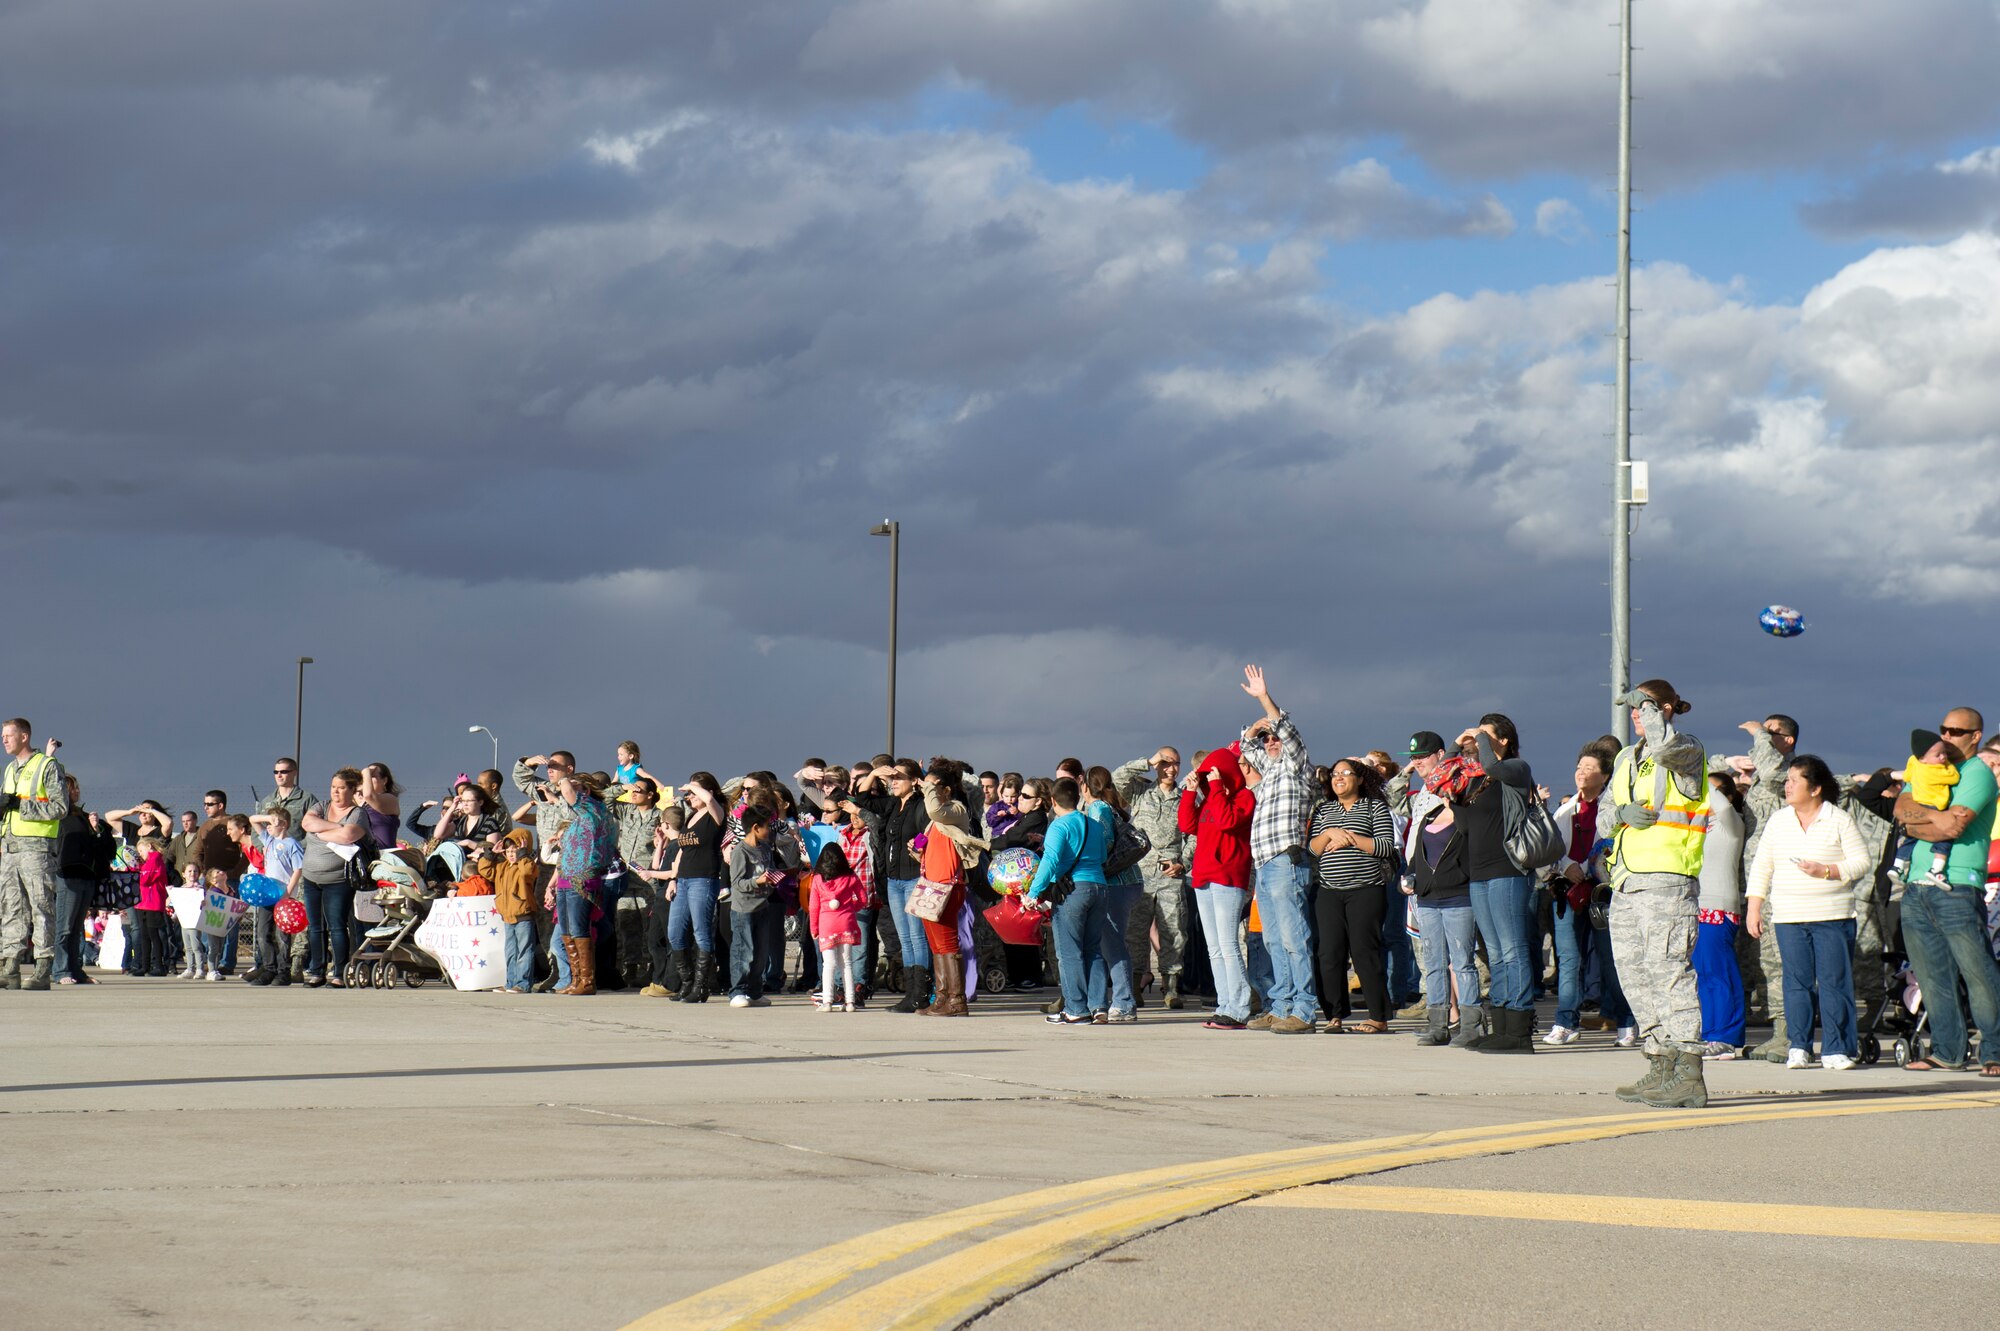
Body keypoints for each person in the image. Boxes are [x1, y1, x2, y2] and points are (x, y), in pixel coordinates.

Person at [1599, 681, 1710, 1107]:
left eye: (1643, 705)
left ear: (1663, 708)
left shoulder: (1686, 749)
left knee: (1668, 972)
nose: (1634, 712)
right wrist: (1620, 815)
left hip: (1667, 878)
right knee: (1635, 975)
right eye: (1633, 706)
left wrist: (1650, 710)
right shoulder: (1627, 757)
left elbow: (1666, 748)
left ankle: (1688, 1071)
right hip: (1627, 880)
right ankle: (1660, 1062)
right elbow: (1606, 813)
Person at [1891, 706, 2000, 1076]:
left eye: (1956, 731)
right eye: (1944, 729)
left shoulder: (1978, 774)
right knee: (1931, 975)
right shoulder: (1927, 766)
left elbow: (1953, 829)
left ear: (1975, 736)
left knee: (1978, 972)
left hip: (1957, 884)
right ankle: (1949, 1051)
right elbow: (1900, 808)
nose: (1947, 736)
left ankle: (1995, 1051)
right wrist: (1935, 818)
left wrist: (1919, 822)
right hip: (1917, 885)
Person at [1746, 754, 1872, 1069]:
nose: (1787, 786)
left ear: (1815, 788)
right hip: (1789, 916)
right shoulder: (1778, 820)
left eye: (1794, 780)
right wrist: (1754, 907)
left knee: (1834, 982)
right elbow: (1762, 865)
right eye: (1787, 780)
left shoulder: (1838, 818)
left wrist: (1827, 871)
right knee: (1796, 982)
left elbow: (1862, 862)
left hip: (1832, 915)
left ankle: (1836, 1048)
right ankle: (1798, 1046)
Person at [1235, 666, 1317, 1036]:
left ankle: (1305, 1008)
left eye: (1274, 739)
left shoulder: (1297, 766)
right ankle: (1281, 1005)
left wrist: (1264, 700)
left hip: (1286, 859)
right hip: (1265, 864)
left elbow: (1287, 730)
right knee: (1271, 939)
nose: (1271, 743)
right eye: (1267, 741)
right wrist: (1254, 731)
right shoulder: (1267, 774)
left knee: (1293, 937)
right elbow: (1244, 747)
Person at [1451, 715, 1538, 1051]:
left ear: (1503, 739)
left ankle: (1518, 1032)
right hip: (1481, 873)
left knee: (1513, 950)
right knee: (1496, 954)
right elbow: (1438, 782)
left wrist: (1482, 742)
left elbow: (1493, 765)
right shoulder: (1478, 782)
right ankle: (1501, 1026)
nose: (1477, 739)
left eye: (1486, 734)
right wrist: (1456, 746)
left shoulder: (1516, 768)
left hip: (1508, 869)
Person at [1545, 740, 1636, 1046]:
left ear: (1605, 776)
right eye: (1579, 767)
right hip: (1567, 894)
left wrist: (1584, 866)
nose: (1582, 773)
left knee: (1610, 960)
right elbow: (1552, 848)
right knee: (1569, 959)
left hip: (1601, 893)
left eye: (1590, 768)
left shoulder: (1610, 811)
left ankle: (1626, 1021)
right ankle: (1565, 1022)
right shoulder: (1565, 810)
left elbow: (1613, 847)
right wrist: (1568, 865)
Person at [1308, 759, 1398, 1033]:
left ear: (1359, 779)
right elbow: (1313, 849)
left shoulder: (1375, 807)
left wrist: (1350, 838)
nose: (1339, 778)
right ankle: (1334, 1014)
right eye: (1335, 774)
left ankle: (1378, 1016)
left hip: (1366, 890)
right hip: (1329, 891)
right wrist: (1329, 833)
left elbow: (1384, 846)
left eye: (1346, 774)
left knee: (1364, 952)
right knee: (1328, 953)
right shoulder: (1324, 809)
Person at [1403, 747, 1478, 1047]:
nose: (1438, 787)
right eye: (1436, 784)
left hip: (1459, 897)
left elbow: (1472, 849)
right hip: (1428, 898)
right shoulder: (1427, 816)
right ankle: (1438, 1024)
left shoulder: (1466, 817)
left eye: (1445, 782)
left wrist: (1457, 805)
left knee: (1462, 961)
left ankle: (1472, 1026)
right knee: (1434, 962)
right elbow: (1417, 856)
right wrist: (1408, 877)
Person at [1179, 748, 1255, 1030]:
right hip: (1203, 877)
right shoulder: (1211, 798)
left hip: (1228, 878)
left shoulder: (1244, 797)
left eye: (1212, 773)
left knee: (1228, 944)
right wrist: (1190, 792)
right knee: (1214, 948)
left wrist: (1217, 789)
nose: (1208, 779)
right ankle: (1225, 1005)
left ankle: (1239, 1007)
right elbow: (1187, 824)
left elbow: (1228, 821)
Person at [1023, 777, 1110, 1026]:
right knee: (1093, 950)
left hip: (1073, 891)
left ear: (1052, 801)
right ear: (1078, 797)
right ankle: (1099, 1007)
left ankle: (1075, 1009)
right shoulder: (1093, 824)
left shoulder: (1059, 826)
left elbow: (1049, 861)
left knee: (1069, 953)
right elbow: (1103, 855)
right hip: (1099, 887)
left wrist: (1033, 893)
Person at [1112, 748, 1193, 1009]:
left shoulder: (1186, 798)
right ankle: (1135, 985)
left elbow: (1194, 835)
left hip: (1171, 872)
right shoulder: (1141, 793)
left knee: (1174, 931)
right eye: (1165, 764)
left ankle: (1170, 987)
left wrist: (1184, 863)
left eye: (1175, 764)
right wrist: (1147, 761)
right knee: (1135, 931)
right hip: (1141, 872)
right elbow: (1118, 778)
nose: (1170, 769)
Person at [1738, 713, 1798, 1060]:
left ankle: (1788, 1034)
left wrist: (1759, 735)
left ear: (1787, 741)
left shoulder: (1788, 774)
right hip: (1756, 884)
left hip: (1778, 884)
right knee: (1760, 960)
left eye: (1773, 732)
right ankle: (1778, 1030)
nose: (1763, 736)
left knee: (1778, 961)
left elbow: (1775, 771)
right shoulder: (1763, 777)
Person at [0, 719, 71, 990]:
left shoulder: (46, 766)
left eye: (9, 735)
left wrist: (21, 805)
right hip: (10, 848)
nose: (5, 740)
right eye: (3, 735)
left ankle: (43, 968)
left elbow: (60, 807)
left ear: (25, 736)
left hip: (37, 848)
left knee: (41, 907)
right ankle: (11, 967)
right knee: (10, 908)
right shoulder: (10, 769)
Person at [858, 759, 933, 1013]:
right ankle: (910, 993)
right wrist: (874, 774)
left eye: (900, 777)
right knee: (905, 939)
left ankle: (920, 994)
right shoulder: (892, 804)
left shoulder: (920, 805)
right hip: (893, 879)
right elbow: (862, 800)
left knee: (917, 937)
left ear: (914, 781)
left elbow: (930, 829)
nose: (895, 782)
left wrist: (919, 847)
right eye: (893, 778)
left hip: (914, 877)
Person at [917, 762, 988, 1018]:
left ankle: (957, 999)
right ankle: (943, 997)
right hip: (931, 885)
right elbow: (927, 838)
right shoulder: (938, 816)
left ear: (947, 790)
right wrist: (916, 848)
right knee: (936, 944)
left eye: (934, 786)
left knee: (947, 942)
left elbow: (935, 811)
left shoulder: (956, 809)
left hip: (948, 885)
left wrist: (927, 787)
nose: (929, 791)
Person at [295, 767, 369, 987]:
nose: (335, 792)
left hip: (338, 880)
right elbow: (307, 824)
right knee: (315, 926)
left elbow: (348, 836)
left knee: (337, 925)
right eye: (333, 787)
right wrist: (336, 827)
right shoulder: (321, 806)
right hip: (310, 878)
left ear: (351, 790)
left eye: (341, 788)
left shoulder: (358, 813)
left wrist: (322, 831)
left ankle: (339, 972)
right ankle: (317, 970)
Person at [1694, 761, 1749, 1057]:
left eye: (1713, 791)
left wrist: (1697, 773)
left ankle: (1726, 1035)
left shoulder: (1732, 823)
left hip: (1719, 906)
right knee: (1702, 973)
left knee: (1719, 972)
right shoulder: (1699, 823)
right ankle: (1710, 1033)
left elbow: (1723, 809)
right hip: (1696, 905)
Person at [549, 769, 615, 997]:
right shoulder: (578, 818)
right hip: (567, 877)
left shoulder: (593, 808)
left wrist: (563, 776)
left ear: (585, 791)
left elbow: (566, 789)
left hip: (582, 877)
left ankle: (587, 981)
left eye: (576, 788)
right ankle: (576, 979)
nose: (567, 792)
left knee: (578, 928)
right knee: (567, 930)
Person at [725, 797, 791, 1007]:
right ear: (755, 827)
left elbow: (769, 871)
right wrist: (758, 881)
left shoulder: (765, 849)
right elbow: (738, 884)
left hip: (763, 906)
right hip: (743, 909)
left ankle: (755, 991)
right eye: (766, 826)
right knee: (743, 951)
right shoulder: (740, 851)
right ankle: (737, 991)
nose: (770, 830)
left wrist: (777, 878)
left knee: (761, 952)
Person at [54, 779, 112, 985]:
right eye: (73, 788)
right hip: (67, 875)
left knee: (77, 927)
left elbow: (104, 848)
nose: (77, 791)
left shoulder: (83, 817)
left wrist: (96, 829)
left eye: (78, 787)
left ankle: (76, 970)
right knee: (65, 927)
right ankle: (60, 970)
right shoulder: (57, 815)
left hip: (87, 876)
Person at [190, 789, 248, 977]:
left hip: (229, 880)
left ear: (220, 805)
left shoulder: (231, 823)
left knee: (229, 923)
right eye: (204, 804)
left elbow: (246, 851)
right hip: (209, 882)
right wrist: (201, 871)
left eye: (210, 804)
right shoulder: (205, 826)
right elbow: (197, 852)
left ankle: (227, 962)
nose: (205, 807)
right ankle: (210, 962)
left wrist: (234, 872)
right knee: (209, 922)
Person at [244, 807, 303, 986]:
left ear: (283, 824)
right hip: (268, 895)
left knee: (283, 936)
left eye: (273, 823)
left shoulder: (292, 844)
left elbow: (298, 869)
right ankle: (269, 968)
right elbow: (252, 819)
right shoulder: (268, 840)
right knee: (263, 933)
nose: (268, 826)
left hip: (284, 895)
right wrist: (269, 817)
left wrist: (288, 892)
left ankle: (283, 971)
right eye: (268, 823)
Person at [481, 829, 538, 994]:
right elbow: (486, 871)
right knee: (511, 951)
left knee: (525, 949)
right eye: (509, 851)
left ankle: (523, 983)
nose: (511, 854)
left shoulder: (526, 864)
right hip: (507, 915)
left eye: (515, 851)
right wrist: (490, 855)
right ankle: (511, 982)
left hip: (523, 914)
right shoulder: (502, 866)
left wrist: (522, 856)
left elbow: (528, 872)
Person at [810, 844, 867, 1012]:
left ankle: (827, 1002)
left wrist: (814, 928)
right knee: (847, 963)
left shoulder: (818, 879)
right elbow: (863, 899)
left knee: (829, 964)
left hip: (826, 924)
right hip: (846, 922)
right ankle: (850, 1002)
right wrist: (850, 908)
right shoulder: (850, 876)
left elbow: (814, 907)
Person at [131, 836, 172, 976]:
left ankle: (159, 966)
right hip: (143, 903)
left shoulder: (155, 860)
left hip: (153, 903)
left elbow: (145, 880)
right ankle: (145, 965)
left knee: (154, 935)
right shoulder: (148, 863)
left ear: (149, 847)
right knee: (145, 936)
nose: (141, 854)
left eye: (142, 850)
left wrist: (137, 871)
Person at [256, 758, 320, 841]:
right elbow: (256, 830)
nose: (279, 775)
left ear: (295, 773)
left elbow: (316, 830)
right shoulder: (266, 801)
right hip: (270, 852)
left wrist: (298, 847)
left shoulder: (306, 799)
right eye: (276, 772)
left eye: (283, 772)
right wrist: (263, 847)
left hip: (297, 852)